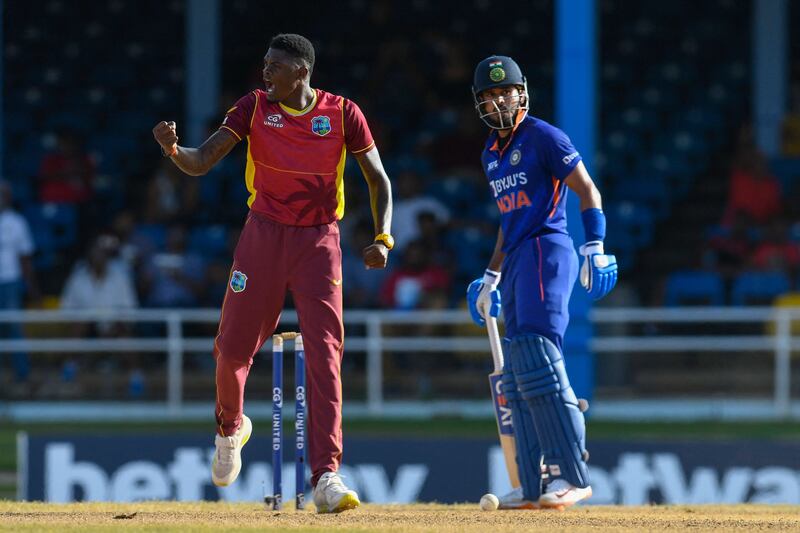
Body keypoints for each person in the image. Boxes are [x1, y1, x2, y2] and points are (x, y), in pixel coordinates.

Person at [152, 34, 393, 513]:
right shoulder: (254, 107)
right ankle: (230, 429)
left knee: (325, 356)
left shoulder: (343, 113)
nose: (265, 74)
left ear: (301, 72)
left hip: (320, 242)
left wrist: (382, 237)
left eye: (275, 66)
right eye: (264, 65)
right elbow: (202, 161)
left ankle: (326, 475)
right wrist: (173, 150)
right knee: (231, 349)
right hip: (262, 236)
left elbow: (378, 179)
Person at [465, 56, 618, 510]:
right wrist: (491, 276)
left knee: (537, 357)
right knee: (516, 372)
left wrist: (596, 245)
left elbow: (587, 188)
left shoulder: (544, 136)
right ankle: (532, 485)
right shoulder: (490, 154)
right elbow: (507, 218)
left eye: (505, 91)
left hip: (547, 250)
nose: (499, 101)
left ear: (521, 92)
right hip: (515, 259)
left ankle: (571, 475)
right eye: (489, 96)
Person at [0, 180, 39, 384]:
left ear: (8, 197)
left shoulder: (17, 222)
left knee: (14, 327)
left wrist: (31, 288)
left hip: (9, 281)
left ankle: (22, 374)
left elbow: (25, 258)